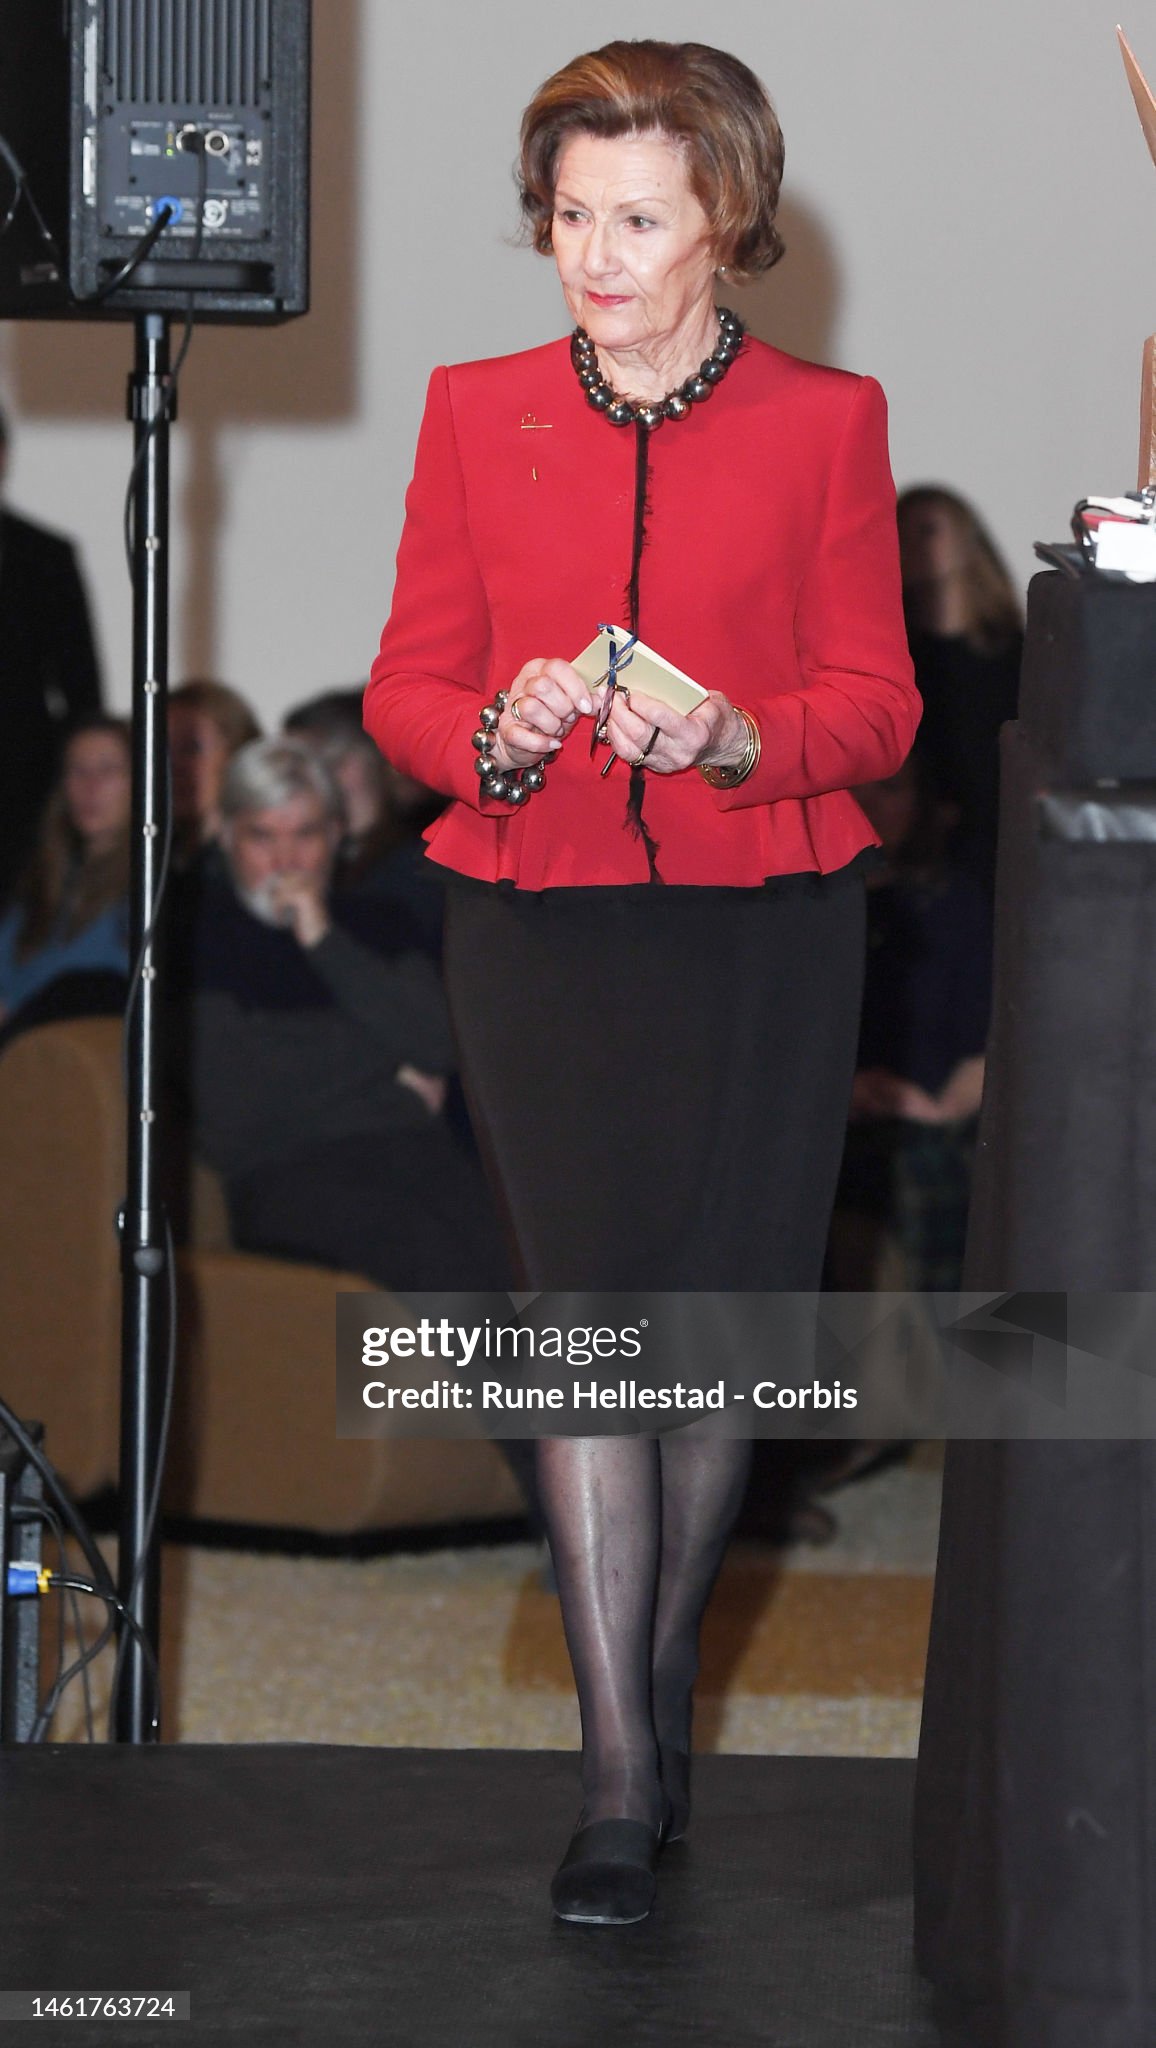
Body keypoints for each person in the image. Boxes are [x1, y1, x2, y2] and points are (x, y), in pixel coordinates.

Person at [364, 39, 919, 1926]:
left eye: (635, 220)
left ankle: (653, 1670)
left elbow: (877, 706)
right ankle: (615, 1768)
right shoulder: (472, 408)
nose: (593, 257)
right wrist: (496, 734)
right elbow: (406, 688)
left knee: (720, 1332)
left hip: (769, 929)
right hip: (541, 922)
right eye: (569, 218)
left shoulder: (831, 422)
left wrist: (736, 729)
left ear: (727, 223)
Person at [179, 737, 509, 1293]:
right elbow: (233, 1110)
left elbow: (439, 1044)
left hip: (415, 1157)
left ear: (335, 836)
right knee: (429, 1258)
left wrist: (323, 940)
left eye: (305, 835)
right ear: (228, 835)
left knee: (525, 1254)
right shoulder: (201, 934)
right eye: (263, 836)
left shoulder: (378, 923)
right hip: (289, 1175)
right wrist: (394, 1082)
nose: (285, 861)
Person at [828, 750, 992, 1293]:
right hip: (820, 1133)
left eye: (892, 789)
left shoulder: (952, 906)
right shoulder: (801, 917)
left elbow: (989, 1049)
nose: (871, 804)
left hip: (927, 1135)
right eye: (858, 786)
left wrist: (930, 1106)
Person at [0, 407, 103, 905]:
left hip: (19, 788)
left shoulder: (43, 556)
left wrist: (67, 788)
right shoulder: (43, 553)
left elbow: (82, 688)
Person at [897, 485, 1023, 895]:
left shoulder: (1019, 652)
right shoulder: (895, 655)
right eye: (900, 532)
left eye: (928, 529)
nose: (911, 544)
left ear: (966, 540)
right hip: (914, 850)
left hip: (1001, 841)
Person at [0, 715, 131, 1044]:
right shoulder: (46, 881)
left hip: (82, 1068)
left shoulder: (151, 891)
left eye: (107, 770)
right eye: (78, 770)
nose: (91, 786)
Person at [168, 678, 262, 875]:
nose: (174, 766)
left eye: (192, 748)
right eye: (163, 750)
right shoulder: (157, 859)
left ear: (237, 753)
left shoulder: (257, 863)